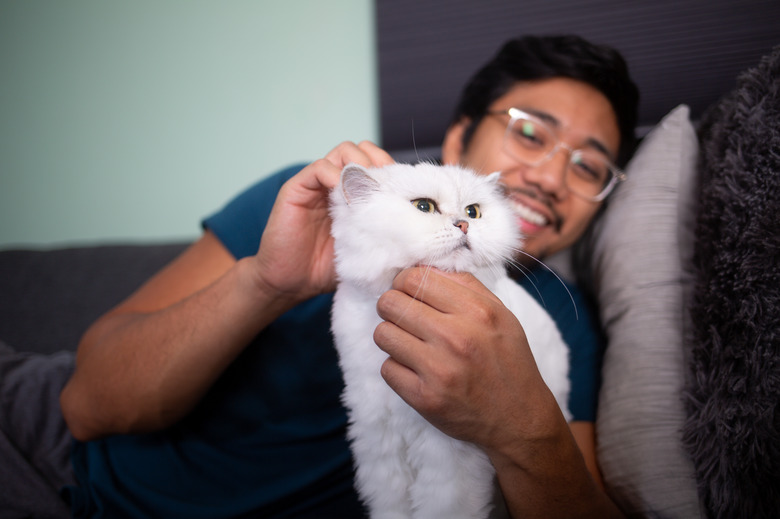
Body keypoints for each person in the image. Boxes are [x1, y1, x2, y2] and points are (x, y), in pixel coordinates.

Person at [3, 35, 638, 518]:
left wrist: (524, 427)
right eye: (530, 133)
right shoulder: (311, 208)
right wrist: (267, 282)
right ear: (459, 136)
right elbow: (85, 406)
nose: (553, 178)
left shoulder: (564, 322)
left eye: (589, 169)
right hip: (50, 456)